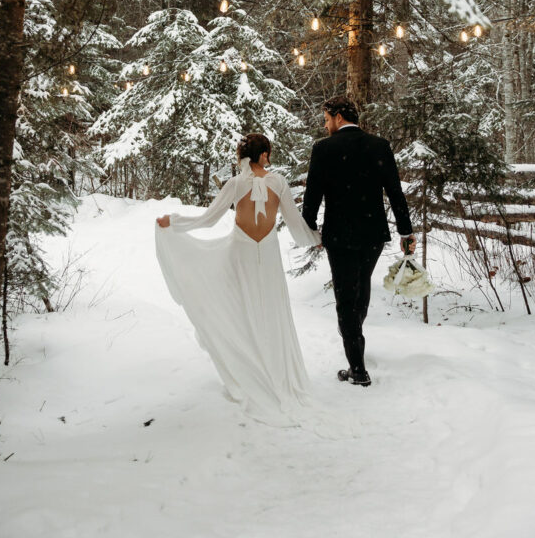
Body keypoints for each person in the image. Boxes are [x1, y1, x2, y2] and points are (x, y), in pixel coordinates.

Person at [155, 133, 322, 423]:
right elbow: (295, 226)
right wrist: (317, 238)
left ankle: (248, 367)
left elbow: (208, 219)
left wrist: (175, 222)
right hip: (268, 256)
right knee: (271, 312)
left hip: (241, 253)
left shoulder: (235, 184)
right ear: (264, 155)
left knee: (240, 309)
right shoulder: (278, 182)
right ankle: (277, 370)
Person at [302, 95, 415, 388]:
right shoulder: (379, 145)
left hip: (340, 235)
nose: (325, 124)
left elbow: (312, 195)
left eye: (326, 119)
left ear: (339, 117)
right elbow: (395, 191)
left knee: (345, 296)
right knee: (361, 285)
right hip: (372, 233)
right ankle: (355, 336)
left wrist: (310, 229)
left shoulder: (324, 149)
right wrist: (406, 231)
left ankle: (358, 367)